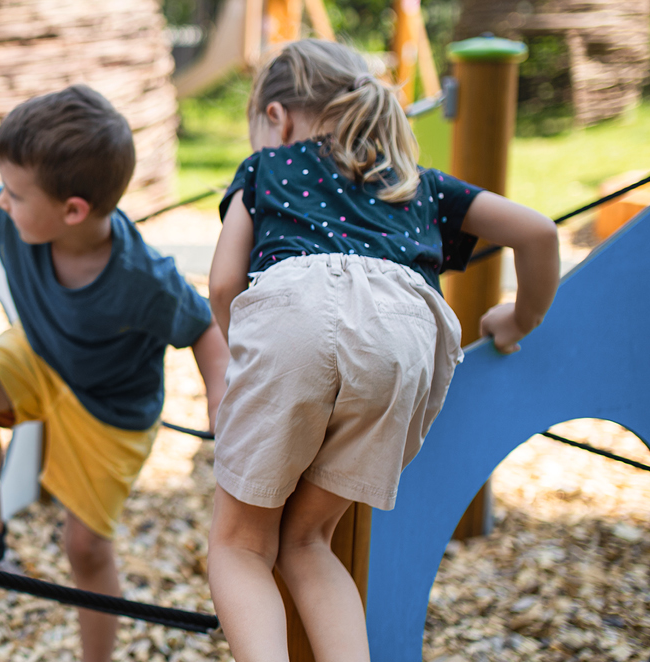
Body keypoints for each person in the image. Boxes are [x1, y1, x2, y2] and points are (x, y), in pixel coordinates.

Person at [206, 39, 560, 661]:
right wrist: (518, 317)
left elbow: (224, 282)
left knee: (241, 545)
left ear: (276, 117)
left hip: (295, 307)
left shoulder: (267, 167)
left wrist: (252, 372)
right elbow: (538, 231)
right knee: (310, 539)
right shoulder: (413, 182)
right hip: (405, 336)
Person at [0, 84, 229, 662]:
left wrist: (222, 404)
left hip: (111, 409)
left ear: (72, 210)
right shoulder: (14, 216)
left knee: (85, 546)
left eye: (16, 194)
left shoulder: (142, 277)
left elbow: (202, 329)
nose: (1, 200)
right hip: (41, 355)